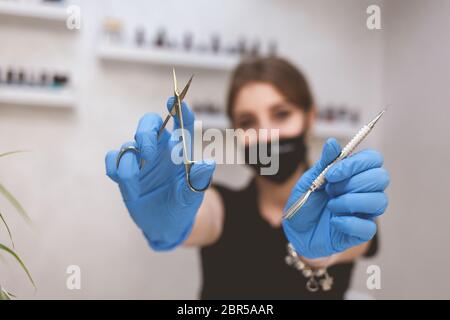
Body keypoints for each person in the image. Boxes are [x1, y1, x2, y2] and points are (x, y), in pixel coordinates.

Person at [105, 57, 389, 299]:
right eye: (247, 122)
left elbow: (348, 244)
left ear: (309, 118)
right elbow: (203, 216)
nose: (265, 135)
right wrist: (166, 225)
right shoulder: (220, 206)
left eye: (281, 114)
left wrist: (315, 253)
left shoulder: (344, 205)